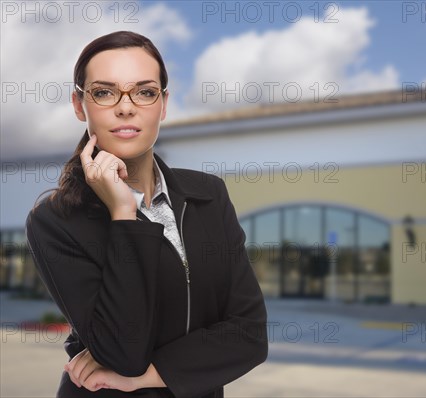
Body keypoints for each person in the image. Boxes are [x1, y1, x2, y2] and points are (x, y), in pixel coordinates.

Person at [25, 31, 268, 397]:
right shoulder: (55, 221)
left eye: (144, 91)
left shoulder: (208, 195)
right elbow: (123, 351)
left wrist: (147, 375)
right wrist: (124, 213)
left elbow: (249, 335)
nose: (126, 107)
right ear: (79, 105)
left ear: (163, 104)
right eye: (104, 92)